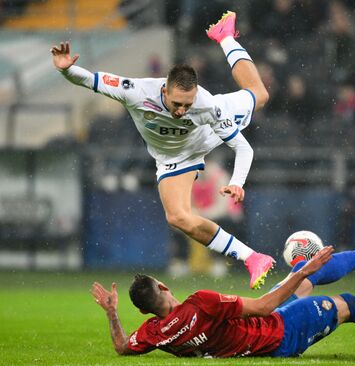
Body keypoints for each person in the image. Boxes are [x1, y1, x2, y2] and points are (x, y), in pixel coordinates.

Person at [50, 11, 275, 289]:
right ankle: (253, 258)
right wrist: (66, 69)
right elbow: (91, 80)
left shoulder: (207, 105)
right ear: (165, 90)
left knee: (261, 95)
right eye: (177, 104)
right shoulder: (135, 91)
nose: (181, 111)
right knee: (178, 217)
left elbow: (243, 147)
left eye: (187, 105)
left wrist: (237, 183)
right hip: (174, 158)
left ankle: (224, 36)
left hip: (206, 136)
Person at [91, 215, 355, 358]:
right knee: (347, 304)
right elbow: (263, 308)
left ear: (142, 310)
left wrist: (111, 313)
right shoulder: (200, 302)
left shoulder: (155, 333)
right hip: (278, 332)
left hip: (260, 332)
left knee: (304, 280)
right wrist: (302, 269)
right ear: (165, 286)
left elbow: (123, 347)